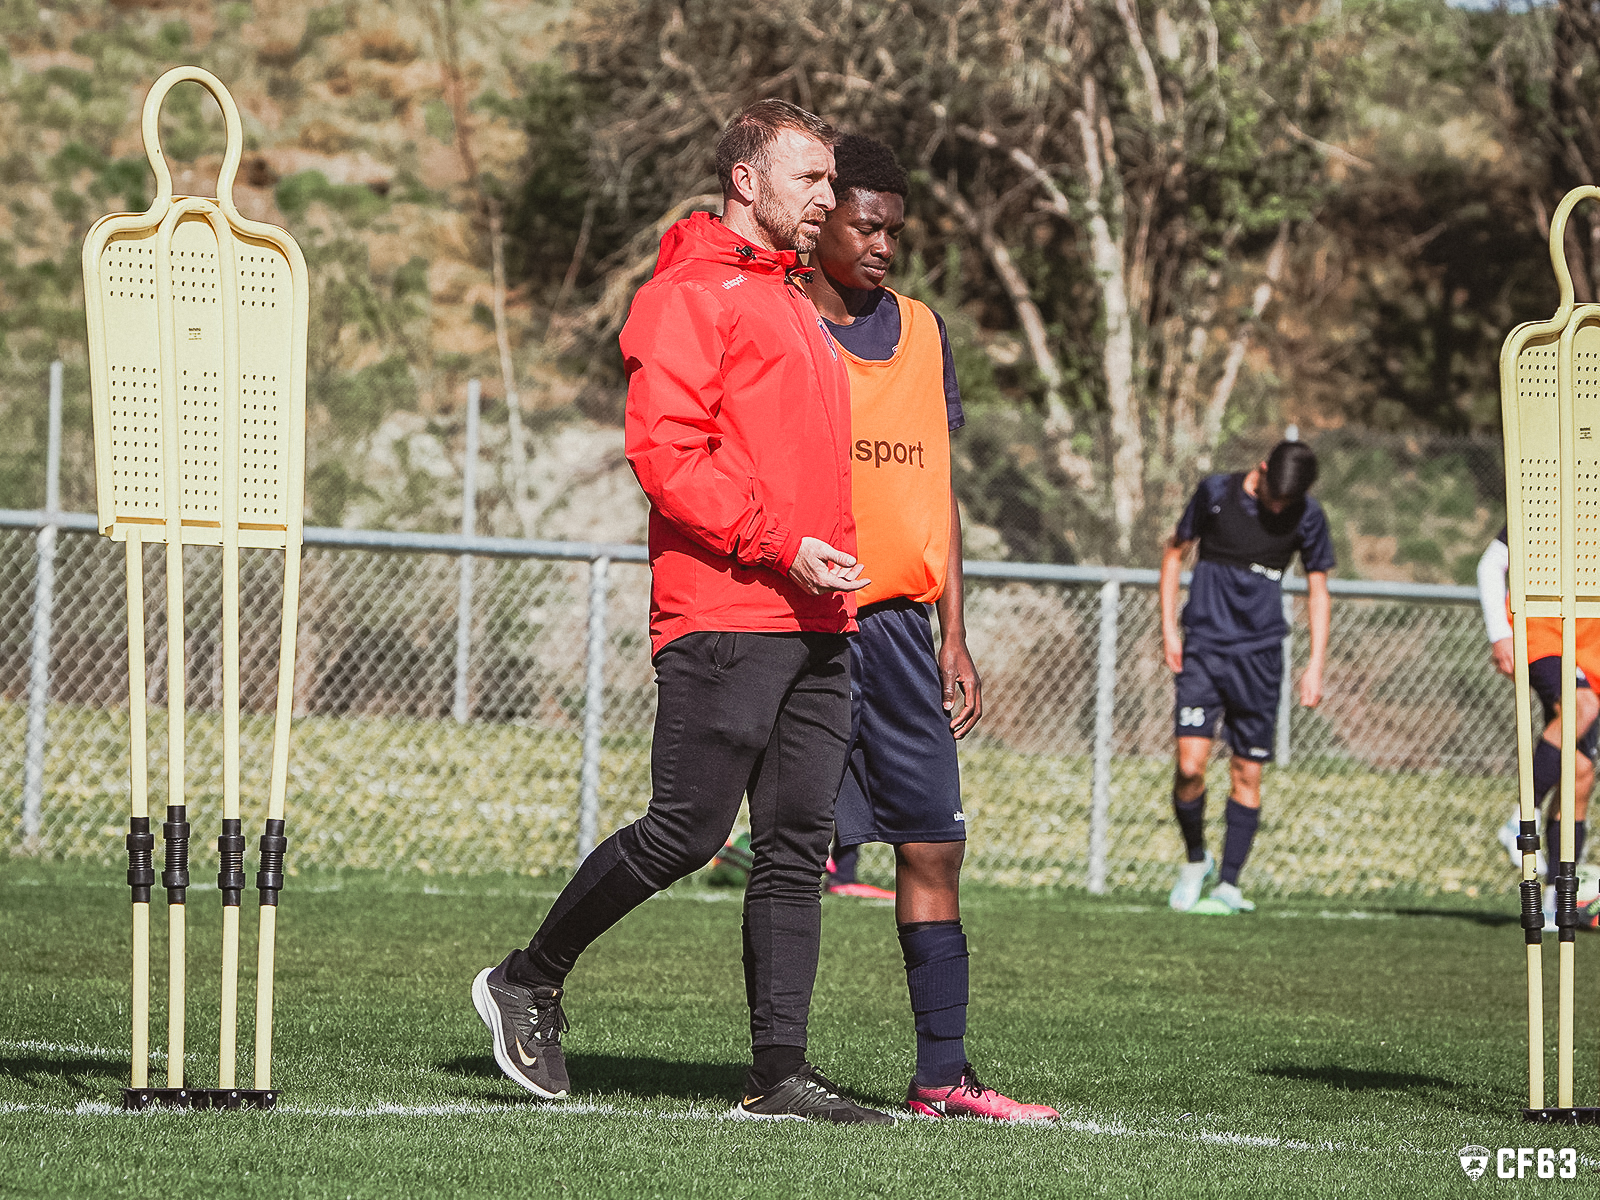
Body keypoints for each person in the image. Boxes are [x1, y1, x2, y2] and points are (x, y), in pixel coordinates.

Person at [472, 100, 894, 1124]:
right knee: (685, 832)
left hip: (816, 620)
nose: (828, 201)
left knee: (799, 848)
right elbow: (668, 457)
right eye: (809, 180)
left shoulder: (795, 299)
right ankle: (527, 975)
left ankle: (779, 1075)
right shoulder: (685, 294)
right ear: (746, 180)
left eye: (832, 183)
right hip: (725, 610)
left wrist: (826, 565)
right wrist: (779, 544)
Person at [803, 133, 1057, 1122]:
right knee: (787, 854)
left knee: (932, 848)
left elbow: (937, 490)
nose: (882, 246)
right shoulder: (781, 320)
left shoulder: (922, 331)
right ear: (821, 220)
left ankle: (940, 1076)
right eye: (866, 225)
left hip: (907, 635)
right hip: (806, 625)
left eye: (893, 231)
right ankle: (771, 1066)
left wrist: (957, 630)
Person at [1160, 442, 1334, 915]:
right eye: (1273, 497)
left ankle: (1229, 885)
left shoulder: (1308, 516)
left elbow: (1319, 591)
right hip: (1204, 649)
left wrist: (1314, 663)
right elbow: (1174, 554)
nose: (1278, 508)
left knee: (1247, 771)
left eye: (1287, 503)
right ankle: (1196, 859)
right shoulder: (1215, 493)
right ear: (1261, 471)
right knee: (1190, 766)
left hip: (1260, 659)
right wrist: (1168, 628)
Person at [1478, 527, 1599, 925]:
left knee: (1580, 773)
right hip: (1543, 632)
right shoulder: (1549, 487)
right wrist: (1500, 634)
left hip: (1592, 646)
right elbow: (1491, 564)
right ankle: (1521, 819)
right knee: (1580, 707)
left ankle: (1555, 899)